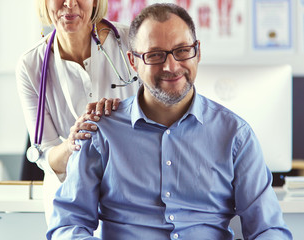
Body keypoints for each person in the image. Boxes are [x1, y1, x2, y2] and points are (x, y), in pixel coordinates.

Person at [46, 3, 292, 239]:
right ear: (133, 62)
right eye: (155, 55)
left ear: (197, 52)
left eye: (182, 50)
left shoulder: (236, 136)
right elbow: (68, 225)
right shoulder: (101, 132)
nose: (171, 66)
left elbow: (268, 229)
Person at [16, 0, 140, 217]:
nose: (70, 3)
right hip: (71, 206)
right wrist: (71, 144)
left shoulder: (132, 44)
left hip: (132, 197)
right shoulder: (31, 65)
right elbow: (46, 156)